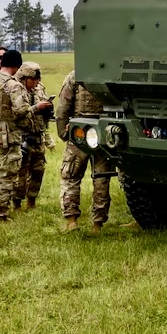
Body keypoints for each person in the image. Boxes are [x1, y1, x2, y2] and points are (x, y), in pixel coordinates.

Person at [0, 49, 40, 221]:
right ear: (17, 66)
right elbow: (21, 110)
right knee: (6, 174)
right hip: (6, 136)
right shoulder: (13, 85)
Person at [56, 70, 111, 233]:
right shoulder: (109, 74)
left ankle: (71, 220)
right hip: (103, 132)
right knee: (102, 178)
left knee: (71, 176)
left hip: (79, 133)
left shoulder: (76, 75)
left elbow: (63, 106)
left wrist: (64, 133)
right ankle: (97, 223)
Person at [12, 61, 54, 211]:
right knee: (20, 173)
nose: (36, 82)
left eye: (38, 79)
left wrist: (48, 108)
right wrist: (36, 108)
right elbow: (17, 113)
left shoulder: (39, 88)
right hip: (22, 137)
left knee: (38, 170)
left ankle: (32, 200)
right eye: (33, 79)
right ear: (24, 78)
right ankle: (17, 202)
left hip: (38, 136)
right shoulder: (15, 90)